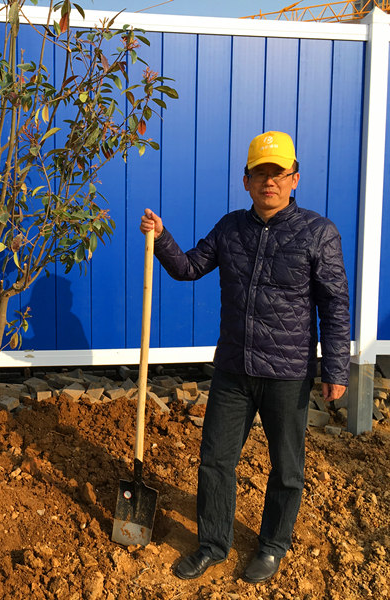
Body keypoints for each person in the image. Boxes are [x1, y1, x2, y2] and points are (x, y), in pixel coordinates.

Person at [140, 131, 350, 583]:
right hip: (233, 370)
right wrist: (161, 238)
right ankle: (213, 544)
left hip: (288, 374)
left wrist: (336, 368)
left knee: (287, 468)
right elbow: (189, 268)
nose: (269, 181)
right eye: (260, 173)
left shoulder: (318, 233)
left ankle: (272, 546)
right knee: (215, 460)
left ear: (294, 178)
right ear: (246, 181)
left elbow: (334, 305)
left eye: (278, 173)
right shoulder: (231, 228)